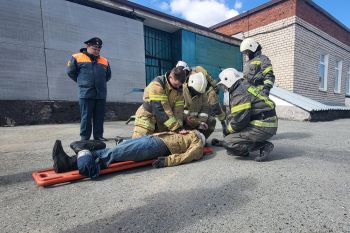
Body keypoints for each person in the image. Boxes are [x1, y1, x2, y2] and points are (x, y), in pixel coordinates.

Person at [52, 130, 206, 178]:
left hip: (159, 146)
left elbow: (187, 156)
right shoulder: (186, 133)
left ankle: (88, 165)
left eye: (196, 132)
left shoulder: (197, 143)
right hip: (153, 139)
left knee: (117, 153)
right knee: (113, 151)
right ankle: (66, 163)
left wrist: (167, 161)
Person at [213, 68, 278, 161]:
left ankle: (263, 146)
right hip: (266, 122)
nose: (224, 88)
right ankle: (239, 143)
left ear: (229, 80)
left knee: (230, 143)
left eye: (223, 85)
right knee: (231, 138)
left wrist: (228, 131)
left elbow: (240, 120)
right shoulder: (245, 86)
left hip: (262, 125)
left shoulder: (239, 93)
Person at [67, 37, 111, 141]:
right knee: (86, 116)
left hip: (100, 93)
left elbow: (108, 76)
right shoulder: (77, 57)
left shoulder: (104, 61)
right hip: (86, 93)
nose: (96, 51)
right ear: (87, 46)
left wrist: (100, 84)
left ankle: (98, 136)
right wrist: (82, 82)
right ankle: (85, 137)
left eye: (98, 49)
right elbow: (71, 72)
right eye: (94, 48)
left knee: (99, 117)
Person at [132, 67, 187, 138]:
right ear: (170, 77)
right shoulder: (157, 85)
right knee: (139, 143)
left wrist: (179, 128)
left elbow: (178, 111)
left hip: (163, 119)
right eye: (176, 85)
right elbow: (161, 108)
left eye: (180, 85)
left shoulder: (179, 89)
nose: (178, 87)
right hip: (147, 118)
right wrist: (176, 128)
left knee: (157, 146)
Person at [176, 61, 226, 135]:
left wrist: (200, 121)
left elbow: (210, 78)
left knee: (214, 108)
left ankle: (223, 123)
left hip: (206, 92)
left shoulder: (198, 70)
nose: (182, 74)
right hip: (187, 117)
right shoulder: (182, 85)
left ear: (187, 69)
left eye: (184, 72)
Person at [182, 72, 216, 139]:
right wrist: (187, 119)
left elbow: (205, 108)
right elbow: (177, 111)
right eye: (196, 92)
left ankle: (201, 140)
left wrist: (201, 122)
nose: (198, 94)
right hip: (184, 122)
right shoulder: (181, 91)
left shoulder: (202, 94)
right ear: (190, 86)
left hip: (196, 122)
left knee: (211, 120)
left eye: (200, 93)